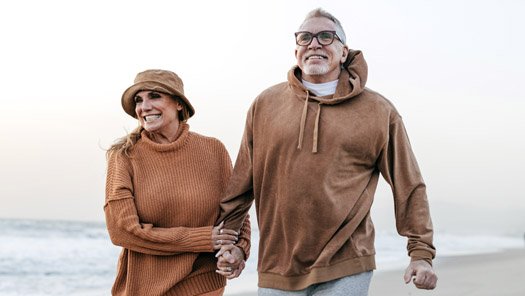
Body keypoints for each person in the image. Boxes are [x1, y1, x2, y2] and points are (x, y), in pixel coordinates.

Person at [217, 8, 437, 295]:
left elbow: (408, 185)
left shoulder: (378, 111)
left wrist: (421, 253)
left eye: (325, 37)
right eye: (305, 37)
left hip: (347, 261)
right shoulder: (266, 105)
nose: (314, 44)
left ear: (343, 52)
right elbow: (242, 183)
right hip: (277, 265)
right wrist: (230, 244)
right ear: (296, 49)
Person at [104, 69, 250, 296]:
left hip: (203, 285)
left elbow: (236, 212)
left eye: (154, 96)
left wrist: (238, 251)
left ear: (179, 104)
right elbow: (122, 231)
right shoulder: (124, 156)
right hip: (144, 289)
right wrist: (202, 238)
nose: (144, 106)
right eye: (139, 100)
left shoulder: (213, 150)